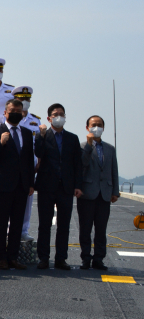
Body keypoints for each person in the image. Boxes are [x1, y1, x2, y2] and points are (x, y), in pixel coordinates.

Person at [34, 103, 82, 270]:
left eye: (61, 114)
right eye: (55, 114)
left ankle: (61, 258)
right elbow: (38, 153)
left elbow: (77, 164)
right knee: (44, 224)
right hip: (47, 186)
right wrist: (40, 135)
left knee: (64, 225)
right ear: (49, 118)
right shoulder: (43, 136)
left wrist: (77, 185)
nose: (59, 117)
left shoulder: (72, 138)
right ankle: (44, 258)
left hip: (66, 187)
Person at [0, 99, 35, 270]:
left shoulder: (28, 133)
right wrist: (1, 142)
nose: (16, 113)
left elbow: (29, 160)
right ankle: (0, 257)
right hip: (4, 184)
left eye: (19, 110)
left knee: (17, 222)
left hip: (22, 185)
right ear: (5, 113)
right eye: (12, 110)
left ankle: (13, 256)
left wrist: (31, 183)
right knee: (1, 222)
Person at [78, 115, 119, 271]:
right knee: (85, 228)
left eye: (99, 124)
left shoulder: (110, 148)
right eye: (93, 124)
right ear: (87, 127)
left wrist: (115, 191)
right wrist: (88, 146)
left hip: (105, 194)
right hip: (87, 193)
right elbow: (82, 165)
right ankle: (86, 258)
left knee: (101, 229)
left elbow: (113, 170)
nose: (96, 127)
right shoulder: (82, 146)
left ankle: (99, 259)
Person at [12, 86, 41, 242]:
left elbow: (39, 145)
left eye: (27, 99)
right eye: (21, 99)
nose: (24, 101)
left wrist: (39, 161)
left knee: (28, 199)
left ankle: (24, 229)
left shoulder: (35, 120)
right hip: (11, 165)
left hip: (29, 164)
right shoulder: (8, 119)